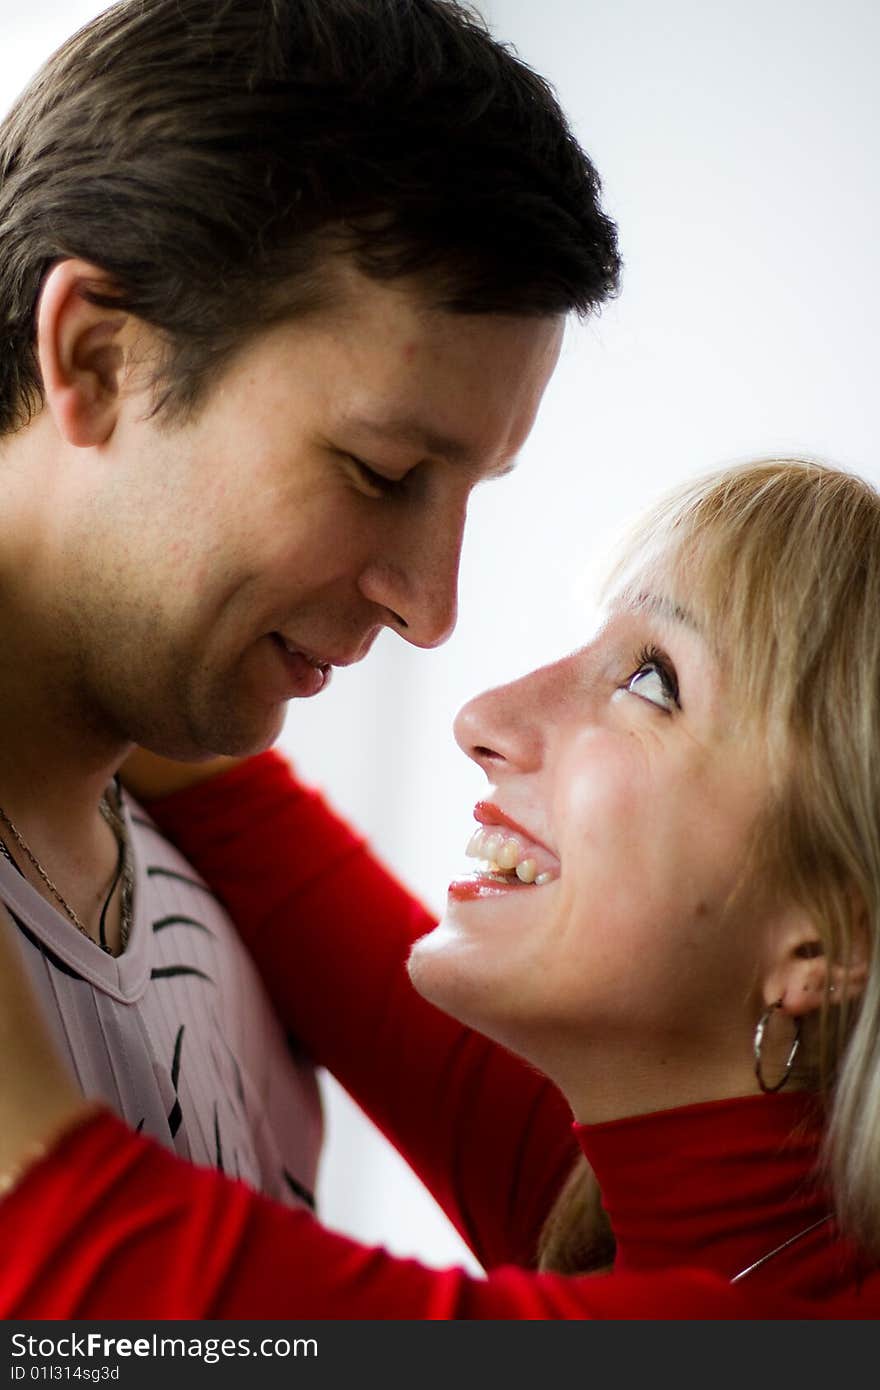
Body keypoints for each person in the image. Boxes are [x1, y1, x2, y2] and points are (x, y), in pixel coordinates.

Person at [0, 0, 618, 1224]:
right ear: (97, 358)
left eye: (466, 492)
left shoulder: (230, 921)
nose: (431, 610)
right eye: (381, 474)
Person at [2, 456, 879, 1318]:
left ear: (832, 937)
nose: (483, 718)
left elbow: (88, 1255)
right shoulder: (644, 1212)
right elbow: (237, 810)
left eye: (651, 682)